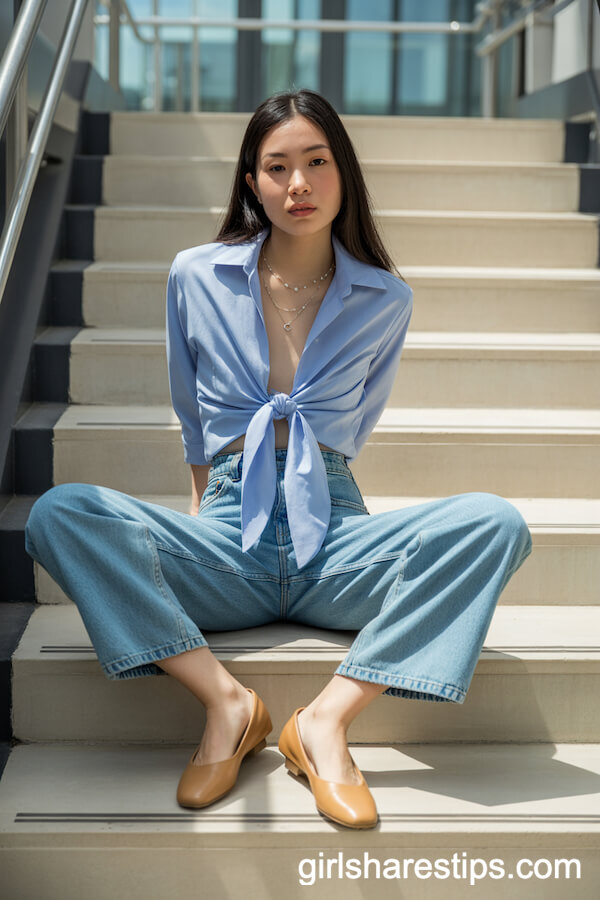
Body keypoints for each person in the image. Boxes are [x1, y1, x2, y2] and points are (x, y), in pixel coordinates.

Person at [24, 88, 533, 831]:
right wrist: (205, 525)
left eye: (316, 162)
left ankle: (324, 722)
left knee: (493, 523)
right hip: (230, 527)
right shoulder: (196, 275)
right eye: (277, 167)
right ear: (251, 183)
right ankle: (229, 705)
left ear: (343, 171)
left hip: (335, 534)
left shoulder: (386, 298)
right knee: (62, 512)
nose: (299, 184)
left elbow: (352, 428)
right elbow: (193, 419)